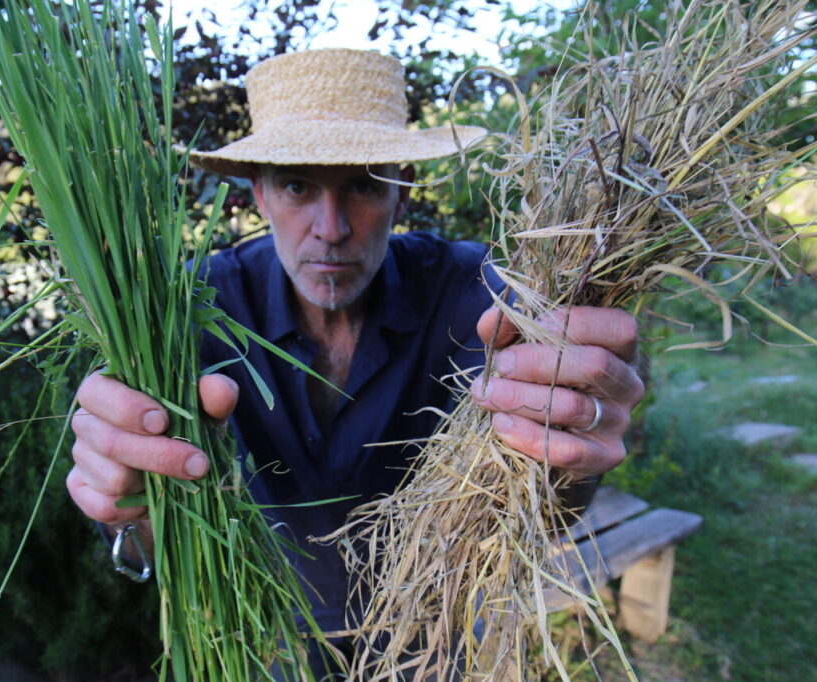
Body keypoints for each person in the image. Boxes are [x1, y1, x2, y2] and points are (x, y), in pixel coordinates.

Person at [66, 48, 643, 668]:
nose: (332, 227)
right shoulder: (190, 313)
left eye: (365, 184)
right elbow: (152, 536)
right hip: (263, 635)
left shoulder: (480, 294)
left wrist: (573, 448)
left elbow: (548, 506)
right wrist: (129, 506)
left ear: (402, 192)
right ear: (258, 193)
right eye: (297, 186)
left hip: (436, 634)